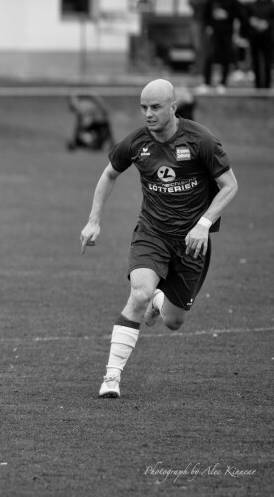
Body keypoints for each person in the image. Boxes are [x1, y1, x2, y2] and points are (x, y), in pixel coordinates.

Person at [79, 79, 238, 399]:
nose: (148, 114)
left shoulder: (200, 140)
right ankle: (111, 377)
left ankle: (158, 301)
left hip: (192, 242)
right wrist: (93, 220)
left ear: (173, 107)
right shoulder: (137, 142)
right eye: (143, 107)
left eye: (155, 107)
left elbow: (230, 185)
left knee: (174, 320)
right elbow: (109, 173)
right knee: (138, 293)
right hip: (151, 234)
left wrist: (203, 224)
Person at [200, 0, 244, 93]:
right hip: (214, 32)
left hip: (227, 33)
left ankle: (222, 83)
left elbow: (240, 14)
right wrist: (209, 26)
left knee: (226, 58)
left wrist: (227, 15)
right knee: (209, 56)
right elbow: (205, 14)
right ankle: (206, 83)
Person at [188, 0, 216, 77]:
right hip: (197, 20)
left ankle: (205, 71)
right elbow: (192, 2)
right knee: (197, 46)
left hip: (208, 22)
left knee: (207, 47)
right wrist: (205, 3)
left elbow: (211, 4)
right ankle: (199, 69)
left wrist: (202, 3)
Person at [245, 0, 274, 89]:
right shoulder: (253, 5)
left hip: (268, 38)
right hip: (255, 38)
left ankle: (266, 86)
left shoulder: (272, 5)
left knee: (267, 63)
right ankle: (257, 87)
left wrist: (267, 24)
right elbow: (247, 18)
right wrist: (253, 22)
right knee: (256, 63)